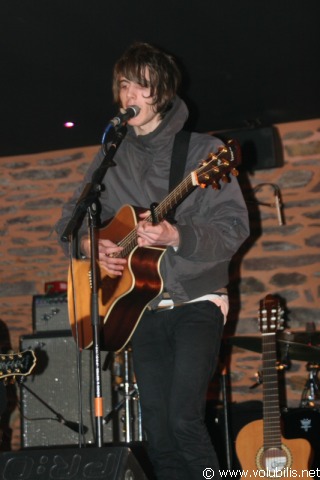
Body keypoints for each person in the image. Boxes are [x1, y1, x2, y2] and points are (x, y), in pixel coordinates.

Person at [55, 42, 249, 480]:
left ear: (161, 91)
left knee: (183, 420)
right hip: (138, 307)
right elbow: (70, 223)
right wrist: (91, 248)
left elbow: (234, 228)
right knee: (157, 432)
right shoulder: (111, 158)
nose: (129, 95)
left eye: (140, 85)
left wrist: (176, 234)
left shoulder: (203, 151)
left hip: (196, 299)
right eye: (123, 85)